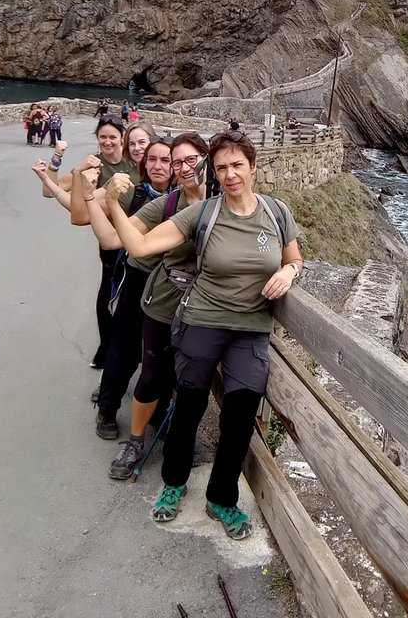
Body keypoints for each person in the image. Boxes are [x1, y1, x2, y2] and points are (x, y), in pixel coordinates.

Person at [106, 130, 302, 539]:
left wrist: (289, 271)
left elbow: (294, 255)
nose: (230, 175)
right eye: (222, 168)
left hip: (251, 330)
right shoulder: (203, 213)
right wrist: (109, 202)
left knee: (240, 416)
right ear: (214, 173)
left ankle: (222, 498)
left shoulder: (277, 211)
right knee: (190, 407)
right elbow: (140, 248)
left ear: (253, 167)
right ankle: (173, 483)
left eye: (237, 166)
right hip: (202, 322)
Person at [100, 133, 210, 478]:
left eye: (191, 159)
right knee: (152, 373)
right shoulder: (167, 205)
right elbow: (116, 240)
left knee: (190, 380)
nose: (184, 168)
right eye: (178, 163)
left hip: (207, 308)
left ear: (207, 160)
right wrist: (107, 202)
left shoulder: (227, 201)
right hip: (164, 301)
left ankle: (178, 438)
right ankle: (135, 441)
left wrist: (289, 268)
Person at [41, 115, 139, 369]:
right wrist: (58, 159)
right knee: (108, 293)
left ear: (122, 138)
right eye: (103, 137)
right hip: (111, 241)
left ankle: (127, 350)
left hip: (138, 236)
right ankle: (106, 348)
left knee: (132, 296)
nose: (108, 142)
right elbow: (48, 190)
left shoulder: (136, 163)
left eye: (112, 137)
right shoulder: (92, 166)